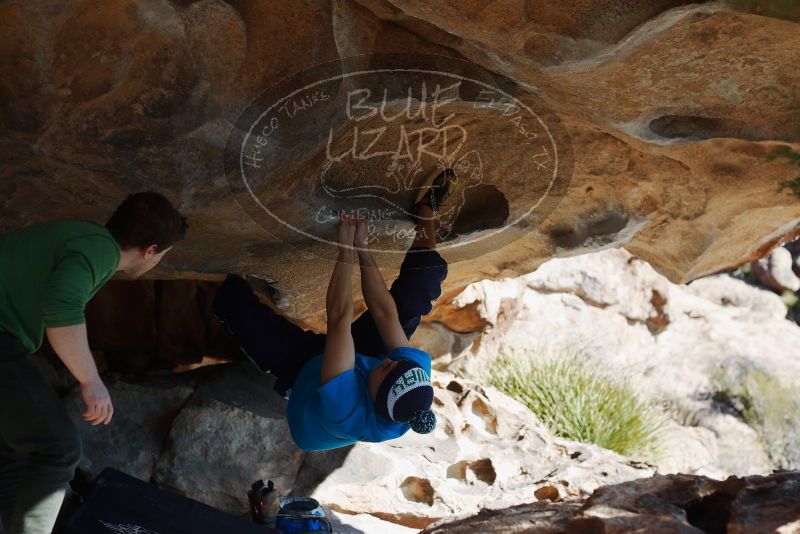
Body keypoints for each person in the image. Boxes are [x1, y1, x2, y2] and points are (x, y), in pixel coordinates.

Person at [214, 170, 453, 451]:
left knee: (235, 304)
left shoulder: (345, 410)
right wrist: (363, 249)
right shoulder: (412, 374)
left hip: (303, 371)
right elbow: (385, 313)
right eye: (398, 362)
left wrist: (346, 251)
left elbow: (339, 318)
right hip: (360, 358)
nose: (390, 360)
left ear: (374, 397)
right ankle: (425, 213)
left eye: (386, 367)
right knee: (420, 284)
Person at [0, 192, 187, 534]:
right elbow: (61, 308)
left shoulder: (83, 237)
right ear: (151, 250)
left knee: (16, 453)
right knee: (58, 449)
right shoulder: (99, 249)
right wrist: (91, 380)